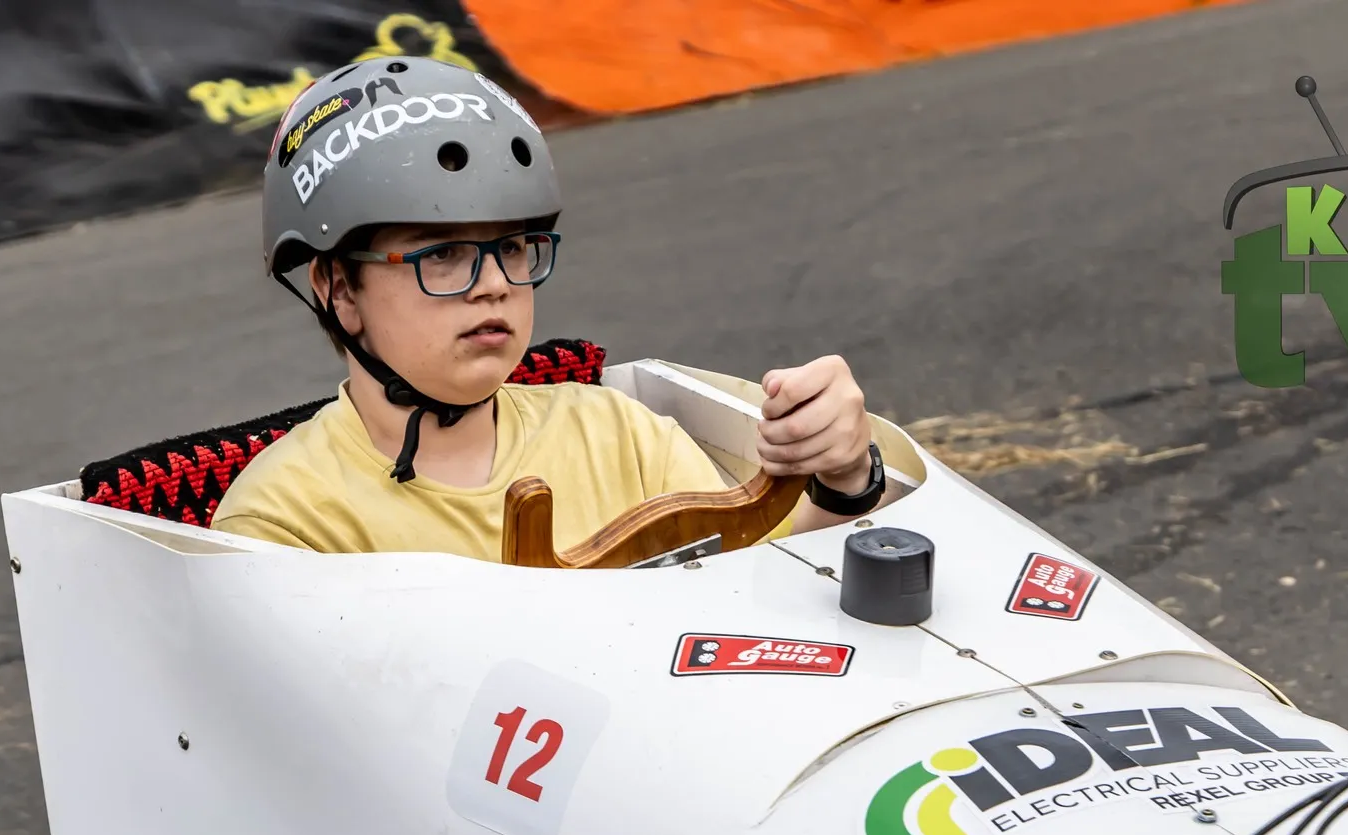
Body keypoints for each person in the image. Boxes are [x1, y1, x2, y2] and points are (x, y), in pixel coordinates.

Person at [211, 58, 906, 558]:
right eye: (442, 255)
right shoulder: (283, 525)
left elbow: (765, 601)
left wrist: (845, 476)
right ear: (337, 289)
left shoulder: (620, 435)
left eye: (514, 247)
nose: (493, 286)